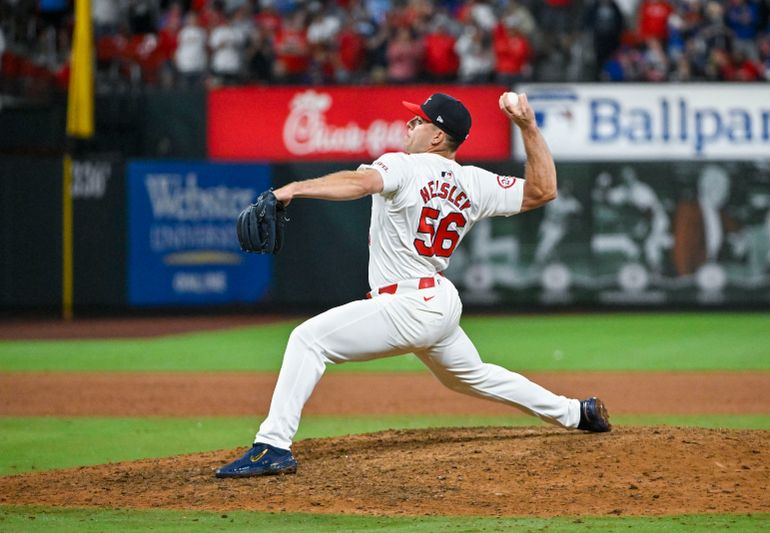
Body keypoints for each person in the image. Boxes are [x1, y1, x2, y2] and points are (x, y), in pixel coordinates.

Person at [215, 92, 611, 478]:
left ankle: (273, 445)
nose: (410, 123)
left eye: (419, 120)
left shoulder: (403, 165)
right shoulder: (474, 182)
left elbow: (360, 183)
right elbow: (543, 190)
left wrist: (292, 190)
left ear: (437, 136)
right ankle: (577, 413)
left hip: (407, 303)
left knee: (308, 340)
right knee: (472, 374)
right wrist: (528, 127)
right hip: (437, 300)